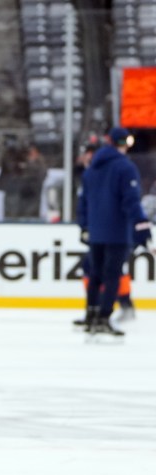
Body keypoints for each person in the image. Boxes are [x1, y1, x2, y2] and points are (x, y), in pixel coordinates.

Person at [76, 126, 154, 337]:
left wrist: (84, 226)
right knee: (112, 275)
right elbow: (131, 201)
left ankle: (91, 315)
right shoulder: (125, 168)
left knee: (95, 273)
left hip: (96, 231)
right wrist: (142, 227)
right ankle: (103, 317)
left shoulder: (92, 168)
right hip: (117, 232)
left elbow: (82, 201)